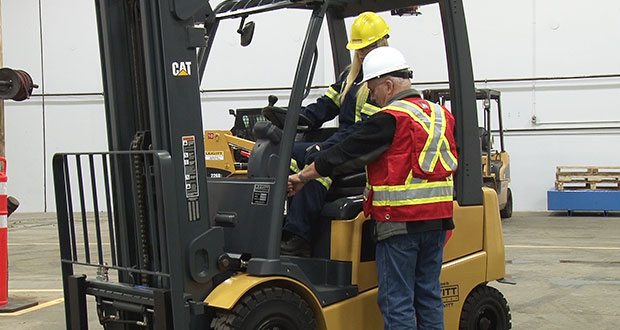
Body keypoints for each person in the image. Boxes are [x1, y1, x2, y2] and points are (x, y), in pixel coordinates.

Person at [287, 46, 458, 330]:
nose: (373, 97)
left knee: (397, 301)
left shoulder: (391, 118)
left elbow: (344, 153)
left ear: (389, 85)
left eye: (373, 89)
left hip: (401, 225)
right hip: (438, 223)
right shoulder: (440, 115)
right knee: (428, 297)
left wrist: (303, 177)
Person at [281, 11, 391, 257]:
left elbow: (362, 131)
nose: (362, 53)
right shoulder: (350, 75)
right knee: (283, 151)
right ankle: (287, 224)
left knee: (315, 162)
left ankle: (299, 236)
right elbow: (326, 105)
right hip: (344, 140)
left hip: (361, 149)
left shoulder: (382, 82)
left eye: (368, 47)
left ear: (382, 43)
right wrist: (296, 119)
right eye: (360, 49)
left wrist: (322, 148)